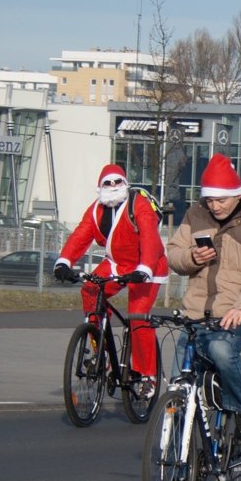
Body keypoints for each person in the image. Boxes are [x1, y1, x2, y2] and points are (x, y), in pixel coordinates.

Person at [166, 154, 241, 445]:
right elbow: (173, 253)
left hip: (239, 312)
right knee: (179, 387)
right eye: (210, 200)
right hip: (196, 313)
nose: (215, 206)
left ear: (237, 194)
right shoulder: (196, 213)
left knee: (220, 349)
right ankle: (179, 454)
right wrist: (191, 257)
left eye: (221, 200)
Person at [53, 164, 167, 398]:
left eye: (118, 182)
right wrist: (64, 262)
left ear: (125, 184)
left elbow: (150, 237)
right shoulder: (96, 210)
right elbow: (80, 236)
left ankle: (148, 376)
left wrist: (144, 268)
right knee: (90, 290)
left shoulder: (139, 205)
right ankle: (101, 352)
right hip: (116, 263)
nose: (113, 186)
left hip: (147, 264)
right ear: (100, 187)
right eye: (108, 183)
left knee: (137, 316)